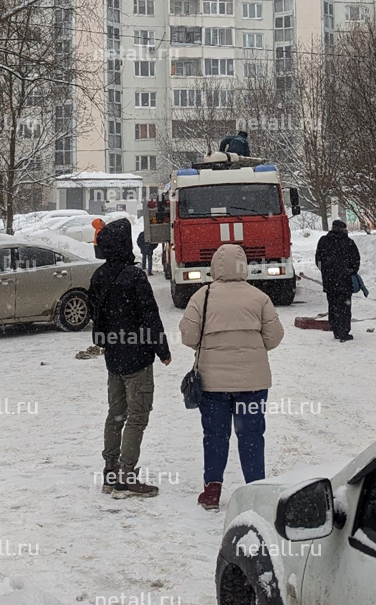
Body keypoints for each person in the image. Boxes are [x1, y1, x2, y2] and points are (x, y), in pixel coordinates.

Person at [179, 244, 284, 511]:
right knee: (251, 435)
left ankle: (212, 492)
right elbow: (274, 337)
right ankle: (254, 491)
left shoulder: (202, 296)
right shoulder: (259, 297)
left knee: (215, 435)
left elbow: (189, 336)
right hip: (253, 382)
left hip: (213, 384)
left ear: (215, 266)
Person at [88, 218, 171, 499]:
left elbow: (95, 320)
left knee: (116, 414)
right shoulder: (134, 277)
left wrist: (106, 341)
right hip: (137, 359)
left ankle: (110, 472)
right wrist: (163, 350)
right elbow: (150, 317)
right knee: (137, 416)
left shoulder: (99, 276)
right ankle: (126, 475)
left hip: (114, 359)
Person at [314, 220, 360, 343]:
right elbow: (356, 260)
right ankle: (344, 331)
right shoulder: (349, 242)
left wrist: (325, 271)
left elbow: (318, 259)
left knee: (333, 305)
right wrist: (351, 271)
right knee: (345, 306)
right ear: (343, 229)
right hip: (345, 281)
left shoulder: (323, 241)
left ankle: (335, 329)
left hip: (330, 280)